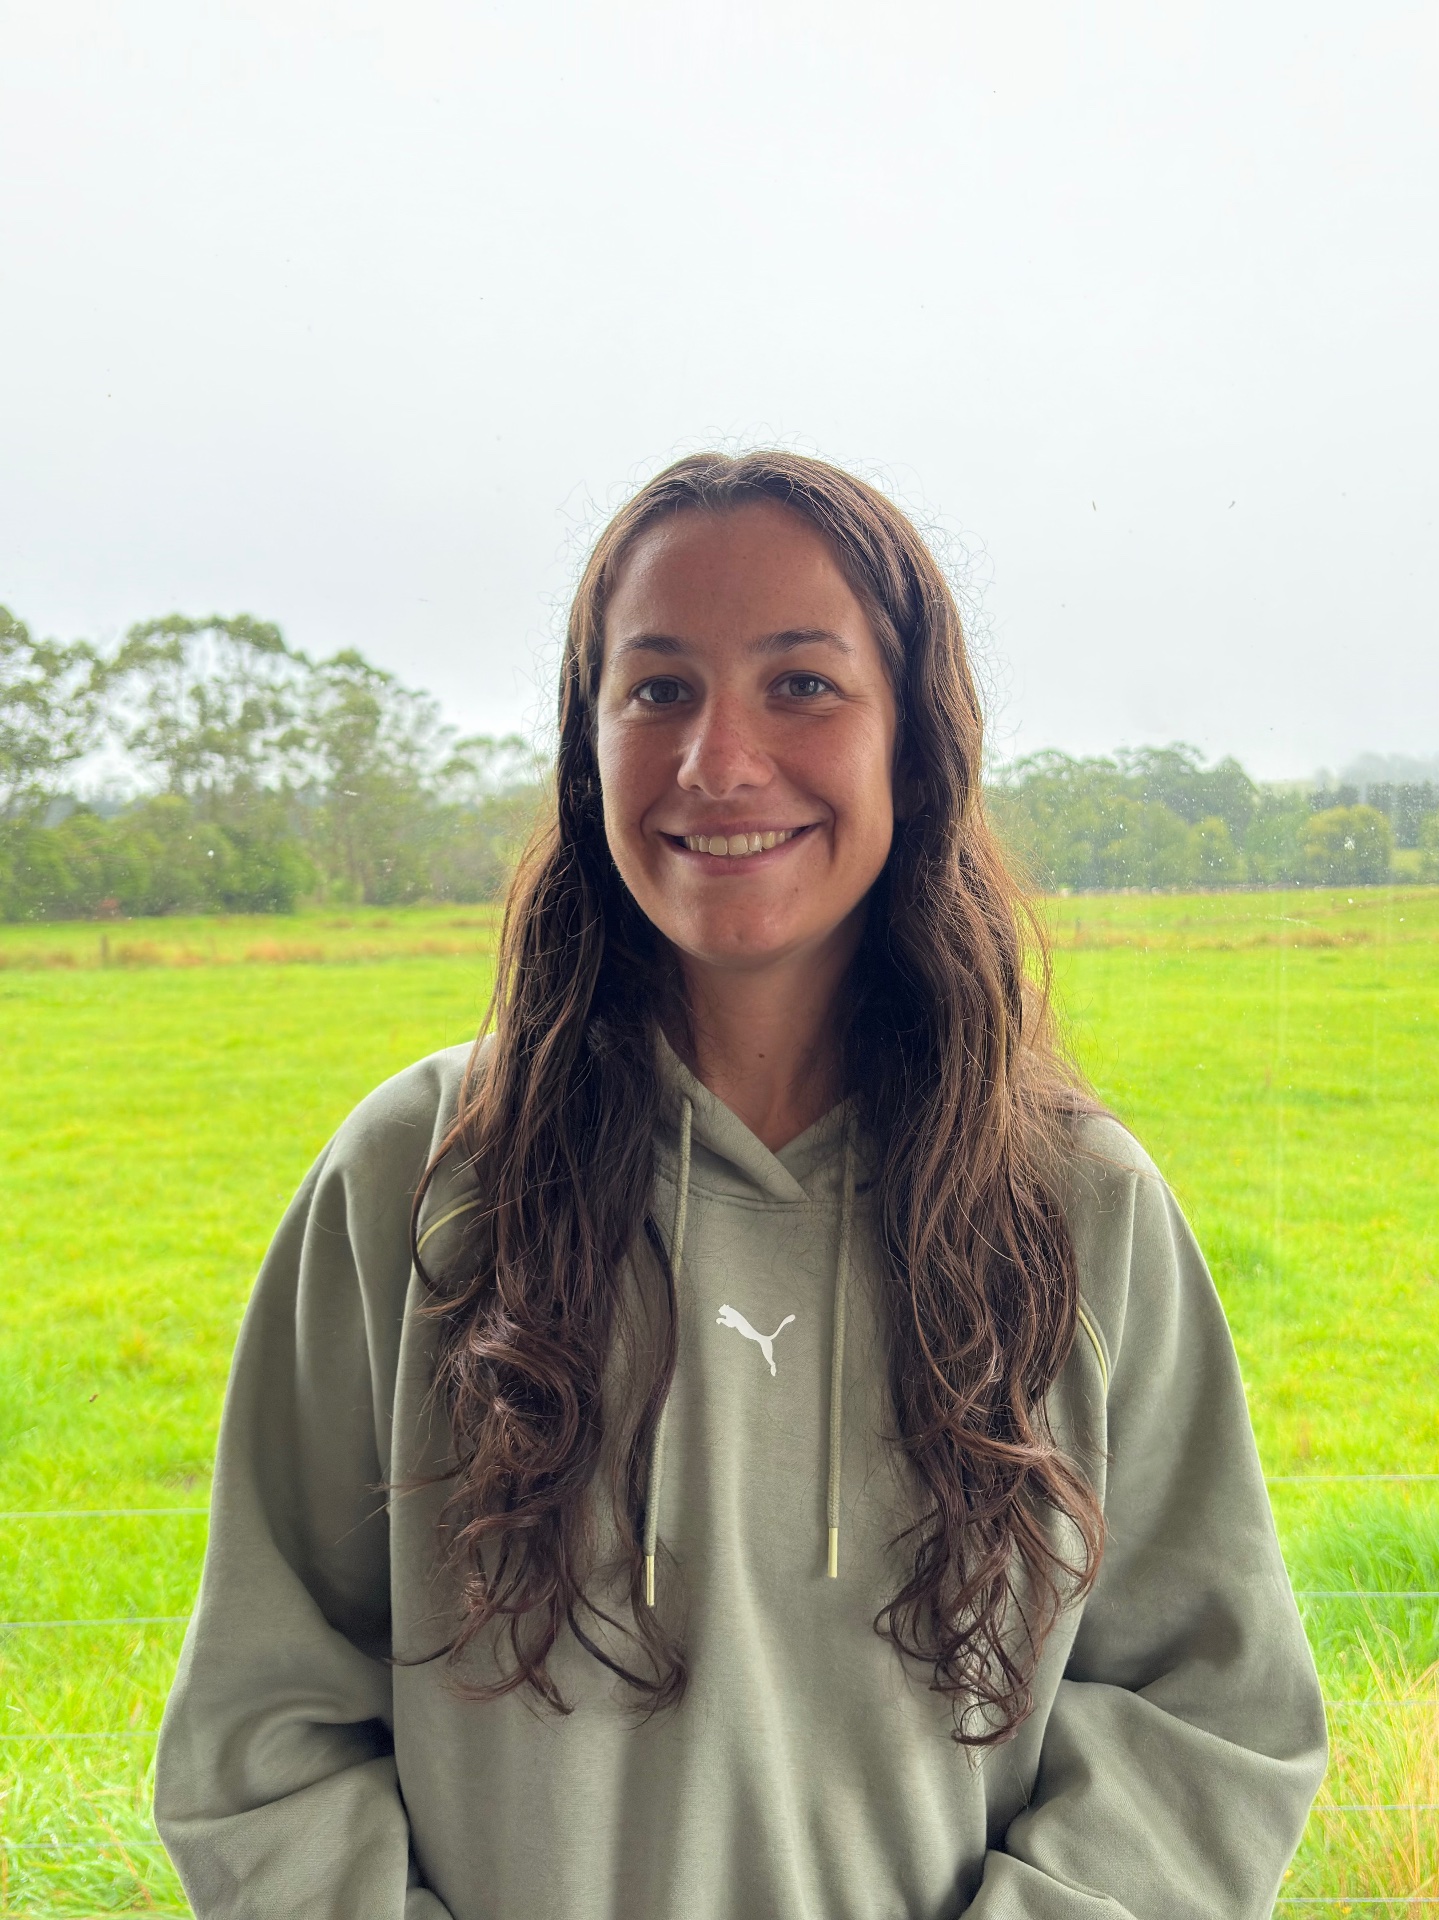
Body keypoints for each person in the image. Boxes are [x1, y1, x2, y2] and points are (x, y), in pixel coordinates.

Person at [155, 452, 1325, 1920]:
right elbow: (264, 1736)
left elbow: (1206, 1718)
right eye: (658, 689)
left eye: (802, 685)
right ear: (586, 750)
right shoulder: (417, 1175)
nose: (717, 759)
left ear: (915, 744)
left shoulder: (1079, 1208)